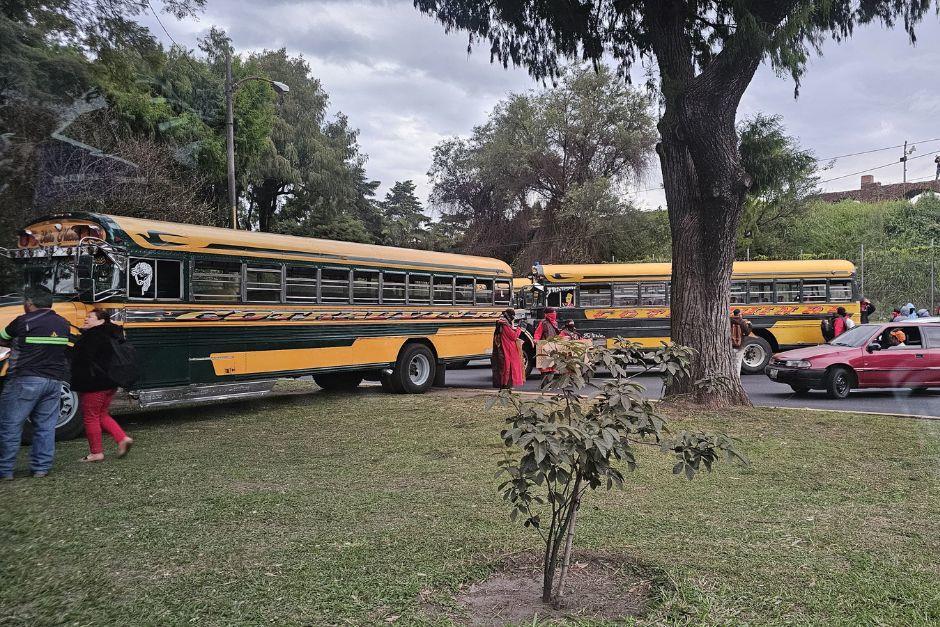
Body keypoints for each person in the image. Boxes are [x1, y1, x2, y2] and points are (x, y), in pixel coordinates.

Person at [0, 287, 73, 480]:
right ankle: (41, 468)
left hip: (25, 380)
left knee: (10, 425)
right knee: (45, 427)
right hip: (54, 382)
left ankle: (5, 470)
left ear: (29, 303)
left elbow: (3, 337)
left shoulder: (23, 321)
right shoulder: (63, 323)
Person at [70, 309, 133, 462]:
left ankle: (96, 453)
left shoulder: (93, 336)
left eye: (90, 317)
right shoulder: (111, 334)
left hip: (94, 383)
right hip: (110, 382)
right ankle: (122, 438)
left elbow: (83, 358)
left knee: (90, 416)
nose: (86, 319)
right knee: (102, 414)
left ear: (101, 321)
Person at [492, 308, 524, 389]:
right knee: (508, 368)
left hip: (505, 348)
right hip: (508, 349)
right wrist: (519, 328)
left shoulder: (502, 323)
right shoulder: (505, 324)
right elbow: (513, 336)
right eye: (512, 316)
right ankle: (506, 385)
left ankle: (505, 385)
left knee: (506, 368)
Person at [534, 307, 560, 374]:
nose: (554, 314)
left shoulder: (555, 323)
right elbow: (538, 332)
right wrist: (536, 339)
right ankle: (545, 382)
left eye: (554, 313)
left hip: (553, 346)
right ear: (548, 314)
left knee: (552, 366)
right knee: (545, 367)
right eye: (552, 313)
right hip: (545, 346)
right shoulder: (543, 323)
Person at [730, 309, 752, 375]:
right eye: (741, 314)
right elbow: (747, 333)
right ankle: (737, 377)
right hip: (740, 345)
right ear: (739, 314)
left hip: (730, 345)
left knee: (731, 362)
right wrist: (750, 325)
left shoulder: (729, 320)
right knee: (738, 362)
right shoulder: (742, 322)